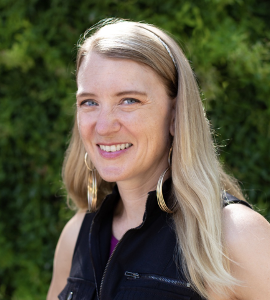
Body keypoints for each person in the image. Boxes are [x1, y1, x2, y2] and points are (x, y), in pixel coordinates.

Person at [47, 19, 270, 300]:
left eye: (129, 100)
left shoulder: (234, 235)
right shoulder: (77, 234)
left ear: (176, 115)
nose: (103, 126)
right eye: (89, 102)